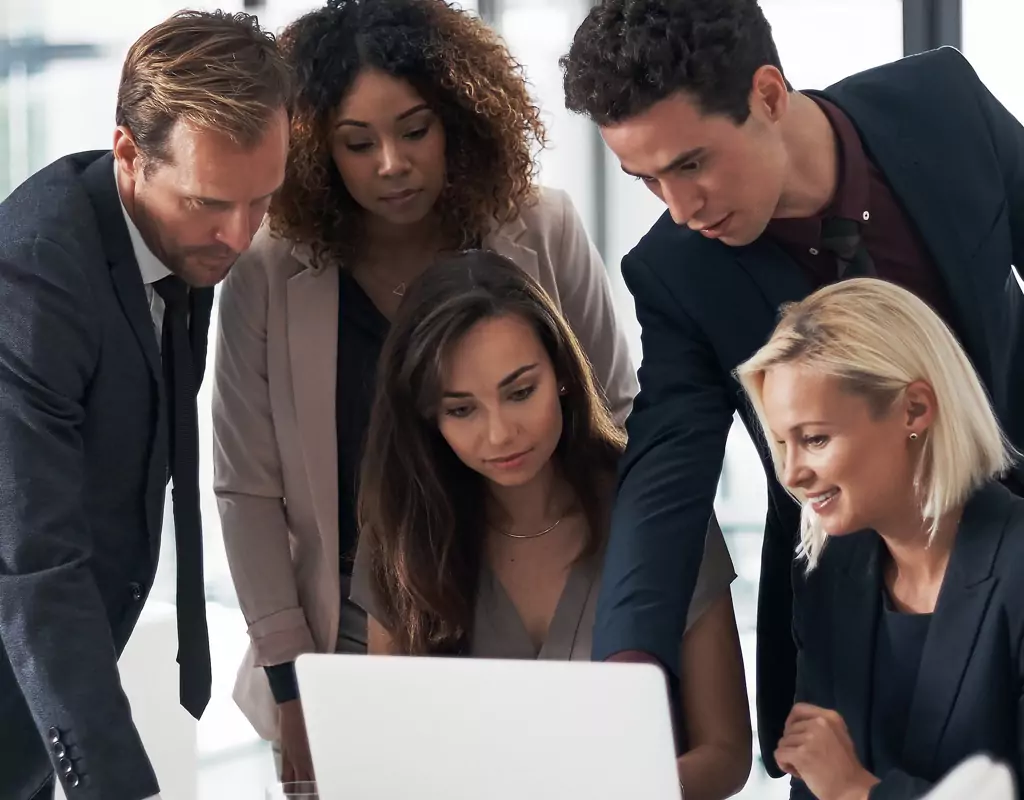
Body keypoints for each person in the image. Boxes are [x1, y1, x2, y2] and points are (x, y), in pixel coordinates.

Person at [559, 0, 1024, 775]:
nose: (681, 208)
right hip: (859, 626)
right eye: (646, 180)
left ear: (768, 95)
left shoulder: (943, 106)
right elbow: (666, 473)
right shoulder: (677, 271)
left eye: (692, 163)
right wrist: (629, 670)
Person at [212, 0, 640, 784]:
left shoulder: (542, 227)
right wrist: (291, 684)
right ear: (315, 149)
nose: (391, 164)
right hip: (342, 631)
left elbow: (616, 413)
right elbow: (246, 489)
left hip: (536, 609)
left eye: (415, 130)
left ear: (461, 119)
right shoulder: (266, 271)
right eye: (356, 143)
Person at [0, 11, 291, 800]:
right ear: (129, 152)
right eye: (209, 203)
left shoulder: (175, 241)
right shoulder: (35, 278)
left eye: (262, 201)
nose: (237, 236)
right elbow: (35, 563)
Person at [349, 249, 751, 800]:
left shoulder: (656, 511)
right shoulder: (402, 533)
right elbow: (388, 759)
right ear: (426, 414)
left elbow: (726, 755)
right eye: (462, 409)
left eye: (519, 392)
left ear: (561, 373)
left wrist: (614, 790)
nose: (500, 435)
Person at [735, 278, 1023, 799]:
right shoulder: (827, 574)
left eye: (815, 439)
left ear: (914, 409)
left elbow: (835, 785)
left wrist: (857, 791)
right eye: (783, 443)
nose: (791, 474)